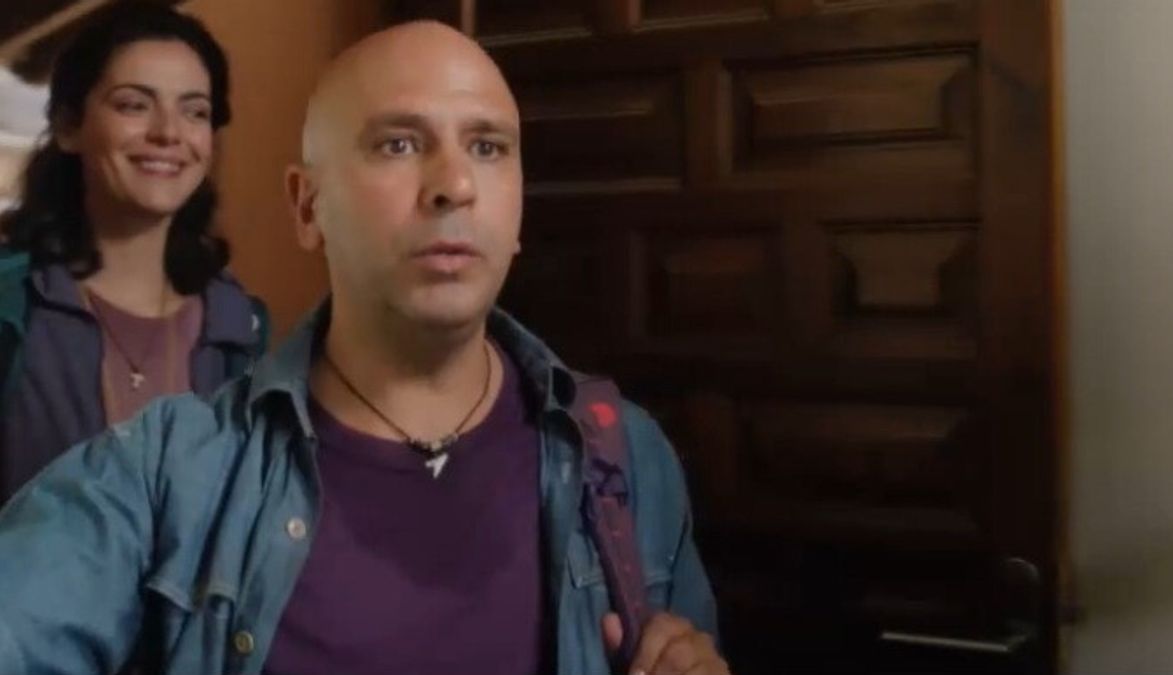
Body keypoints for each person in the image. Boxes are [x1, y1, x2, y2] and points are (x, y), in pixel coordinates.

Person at [0, 20, 727, 675]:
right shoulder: (161, 477)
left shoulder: (625, 456)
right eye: (399, 144)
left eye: (487, 147)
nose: (455, 184)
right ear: (307, 205)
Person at [0, 2, 268, 502]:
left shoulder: (240, 330)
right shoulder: (12, 307)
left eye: (195, 111)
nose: (169, 132)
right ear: (68, 127)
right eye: (133, 105)